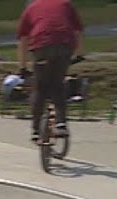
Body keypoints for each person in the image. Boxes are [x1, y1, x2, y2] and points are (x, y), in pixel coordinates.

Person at [16, 0, 83, 142]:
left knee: (40, 88)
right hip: (64, 45)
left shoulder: (31, 8)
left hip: (41, 46)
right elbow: (77, 31)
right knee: (57, 85)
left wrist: (22, 67)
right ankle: (60, 124)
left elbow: (23, 40)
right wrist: (77, 54)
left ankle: (35, 130)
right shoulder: (66, 4)